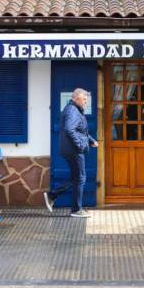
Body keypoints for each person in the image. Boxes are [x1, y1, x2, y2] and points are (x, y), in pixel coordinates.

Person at [43, 88, 98, 218]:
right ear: (76, 98)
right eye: (84, 99)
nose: (85, 102)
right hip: (74, 150)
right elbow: (69, 130)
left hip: (71, 149)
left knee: (77, 178)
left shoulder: (74, 109)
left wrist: (91, 140)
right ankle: (76, 209)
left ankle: (53, 195)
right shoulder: (73, 111)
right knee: (80, 177)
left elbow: (80, 131)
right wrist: (80, 144)